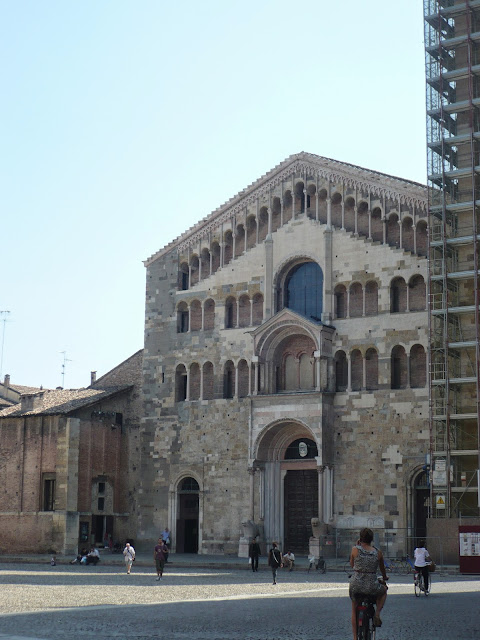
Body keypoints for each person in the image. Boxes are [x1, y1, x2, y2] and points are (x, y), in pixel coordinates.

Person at [349, 528, 388, 640]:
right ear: (371, 539)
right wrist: (385, 578)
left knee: (353, 609)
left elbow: (352, 565)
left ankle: (355, 637)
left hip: (356, 585)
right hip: (372, 586)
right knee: (384, 590)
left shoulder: (355, 550)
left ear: (360, 538)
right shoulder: (377, 553)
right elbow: (382, 570)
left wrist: (357, 546)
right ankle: (377, 614)